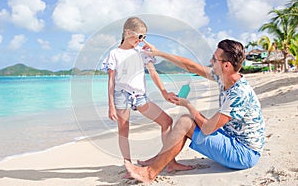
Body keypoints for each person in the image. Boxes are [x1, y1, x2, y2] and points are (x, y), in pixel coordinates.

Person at [125, 39, 266, 183]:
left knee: (186, 121)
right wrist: (158, 53)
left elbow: (208, 128)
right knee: (188, 120)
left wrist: (188, 105)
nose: (211, 61)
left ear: (226, 65)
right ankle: (166, 161)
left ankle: (149, 173)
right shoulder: (224, 77)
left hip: (244, 154)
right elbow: (190, 66)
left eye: (214, 59)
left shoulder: (238, 93)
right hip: (233, 139)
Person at [101, 17, 194, 178]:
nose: (142, 40)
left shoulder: (141, 52)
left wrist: (164, 92)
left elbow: (152, 72)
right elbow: (111, 81)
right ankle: (128, 165)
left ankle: (170, 162)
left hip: (140, 96)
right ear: (128, 33)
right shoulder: (114, 54)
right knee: (123, 131)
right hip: (121, 96)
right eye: (140, 36)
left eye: (144, 37)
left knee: (166, 121)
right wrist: (110, 105)